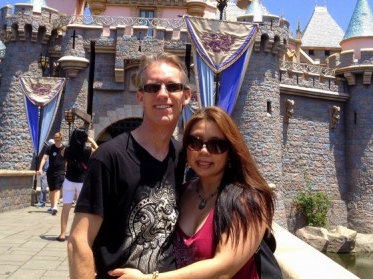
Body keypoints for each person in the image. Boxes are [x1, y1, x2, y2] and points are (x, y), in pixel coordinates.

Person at [110, 106, 276, 279]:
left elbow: (223, 270)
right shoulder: (182, 192)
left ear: (230, 152)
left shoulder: (249, 201)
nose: (203, 151)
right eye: (195, 142)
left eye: (216, 145)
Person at [68, 53, 192, 279]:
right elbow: (79, 241)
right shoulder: (109, 157)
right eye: (153, 87)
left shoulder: (183, 156)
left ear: (186, 96)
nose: (162, 94)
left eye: (172, 86)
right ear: (140, 97)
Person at [56, 128, 93, 242]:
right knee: (82, 209)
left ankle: (62, 234)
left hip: (68, 181)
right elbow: (99, 150)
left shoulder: (66, 150)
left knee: (66, 208)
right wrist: (91, 140)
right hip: (81, 182)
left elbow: (62, 153)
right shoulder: (88, 150)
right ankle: (80, 234)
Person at [38, 132, 65, 215]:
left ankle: (55, 206)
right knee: (52, 190)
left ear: (61, 140)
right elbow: (44, 158)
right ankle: (52, 206)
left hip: (60, 172)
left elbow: (67, 160)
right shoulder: (50, 148)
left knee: (57, 188)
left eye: (58, 140)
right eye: (56, 140)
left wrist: (67, 170)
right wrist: (40, 168)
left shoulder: (64, 149)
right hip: (50, 172)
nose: (57, 142)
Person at [36, 139, 53, 208]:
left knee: (53, 188)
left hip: (53, 171)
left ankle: (53, 204)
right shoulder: (47, 151)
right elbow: (44, 159)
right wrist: (40, 169)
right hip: (45, 171)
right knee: (43, 187)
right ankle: (43, 202)